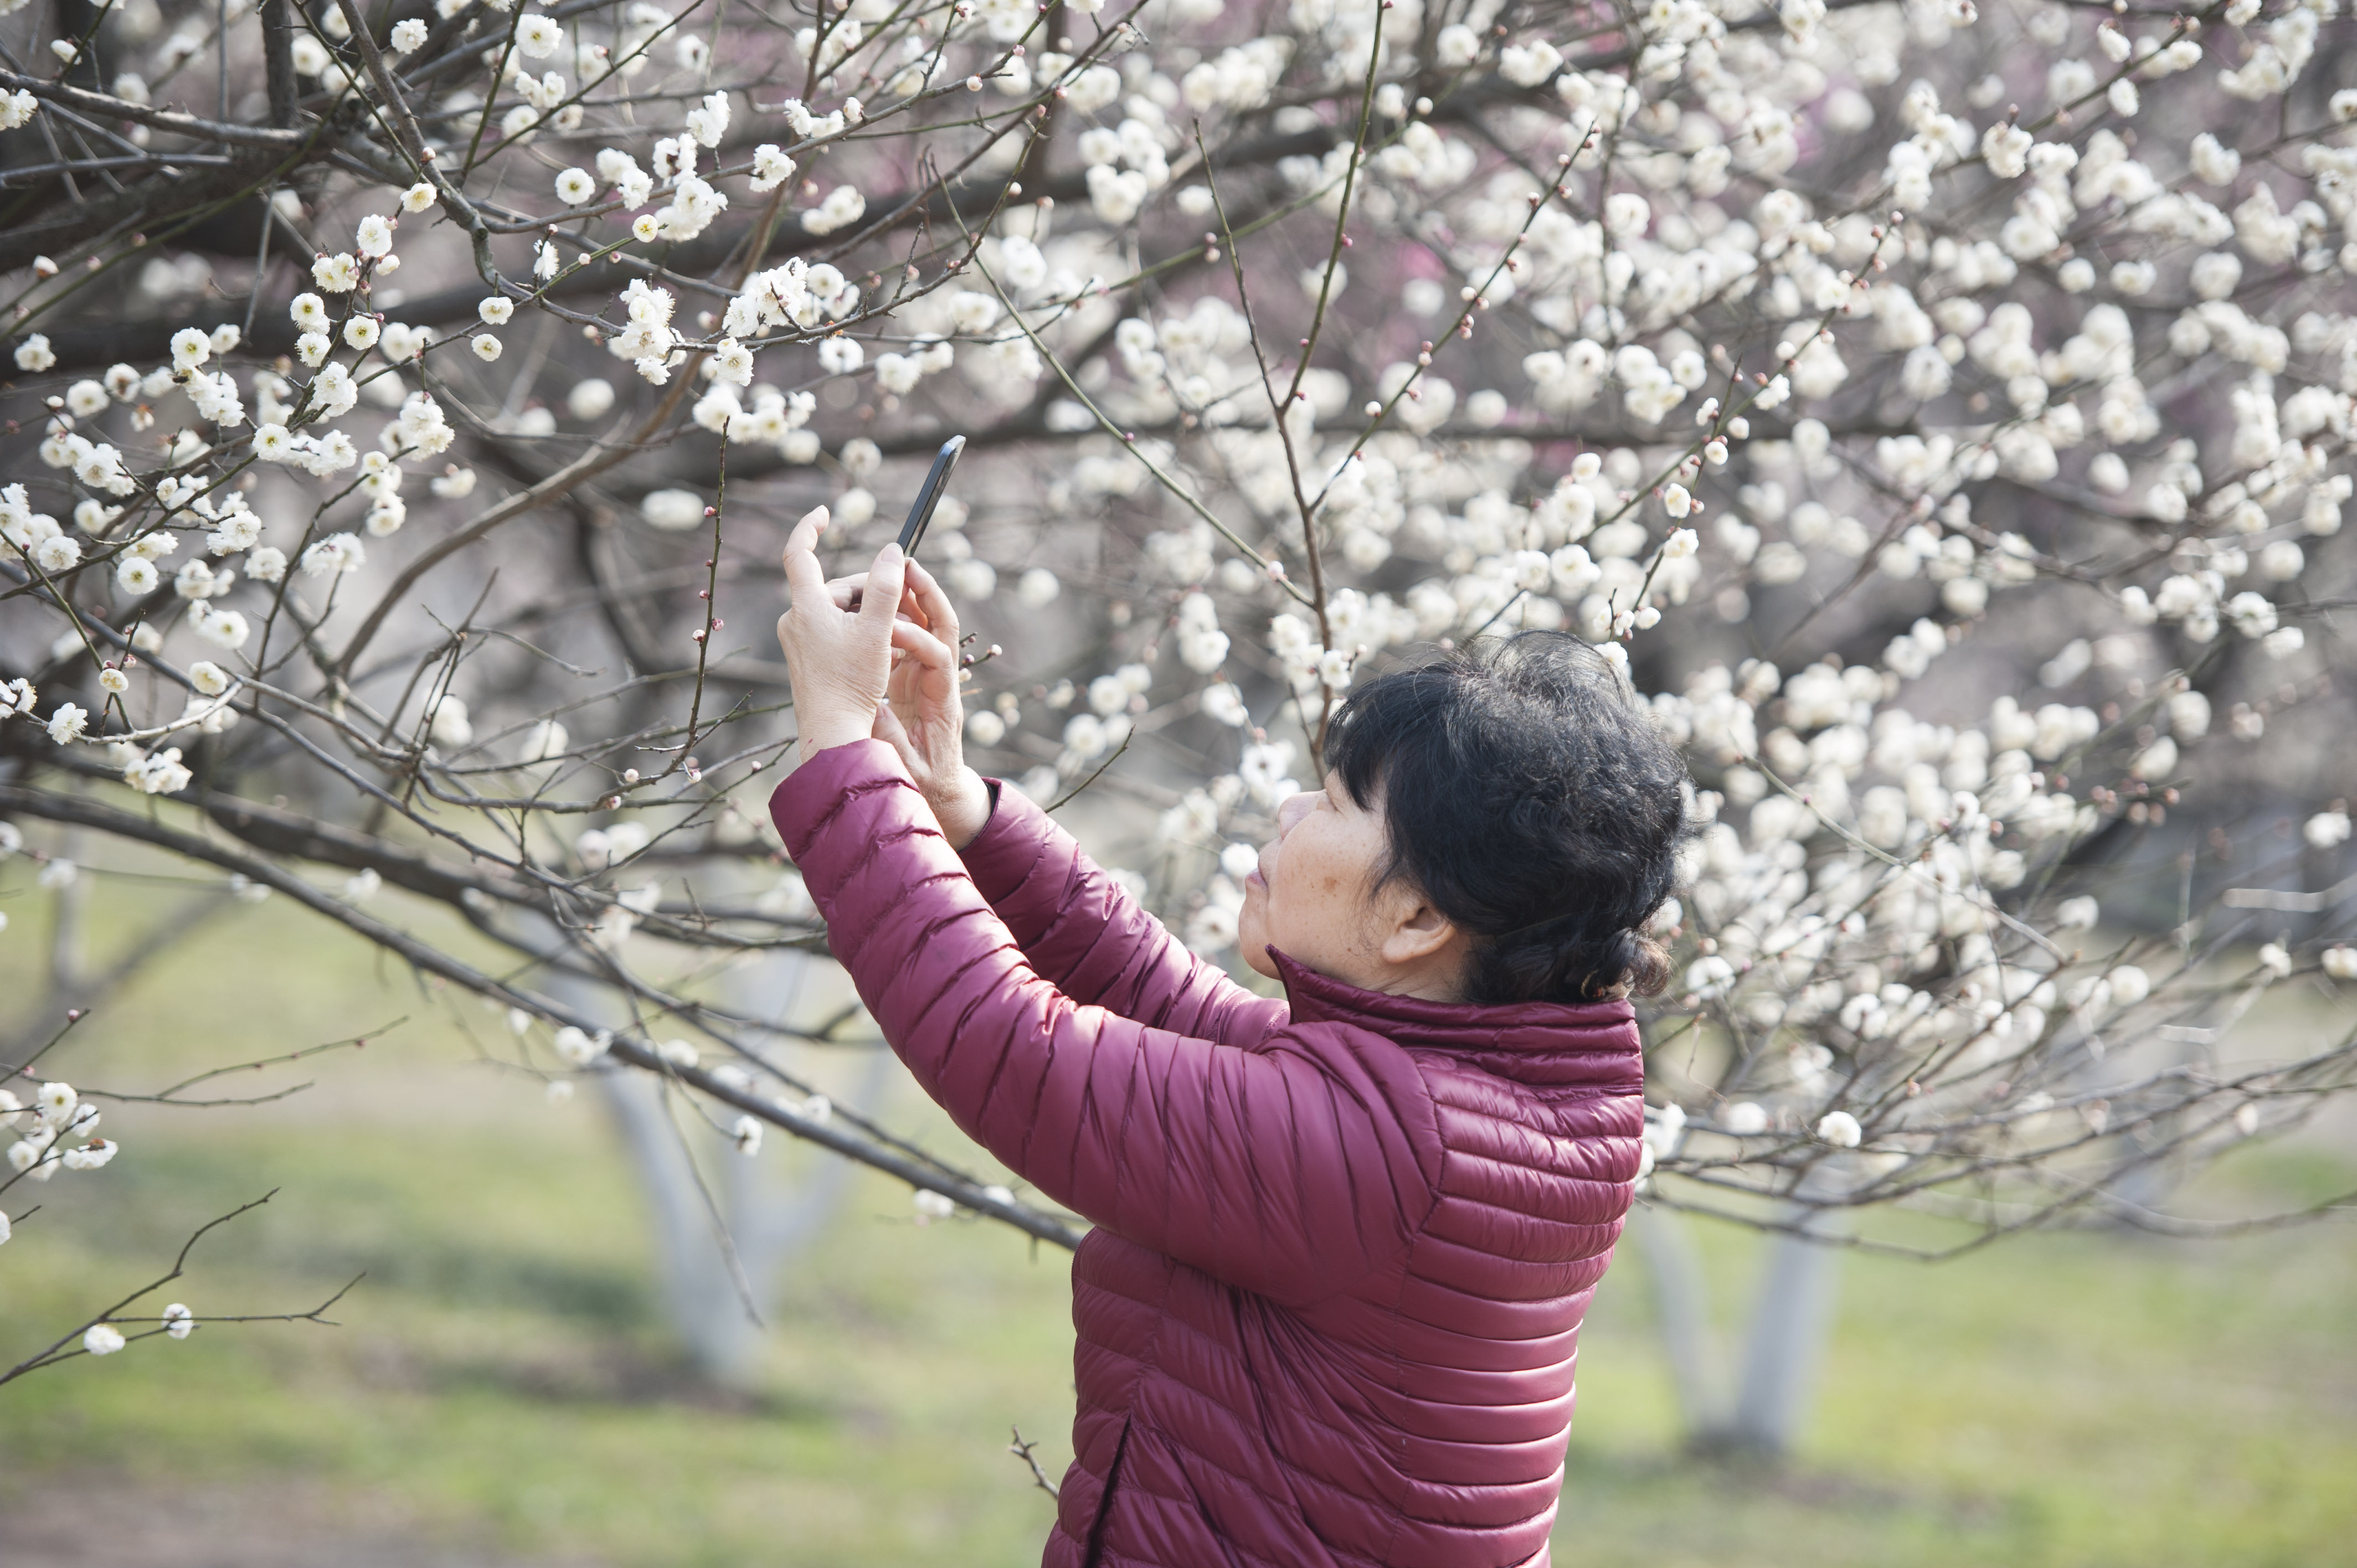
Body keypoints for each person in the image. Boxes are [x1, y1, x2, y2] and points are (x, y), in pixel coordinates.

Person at [769, 509, 1688, 1568]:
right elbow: (1175, 1018)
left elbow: (1019, 1050)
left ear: (1419, 920)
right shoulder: (1481, 1106)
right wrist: (957, 808)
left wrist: (841, 745)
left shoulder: (1398, 1150)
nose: (1292, 809)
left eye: (1337, 803)